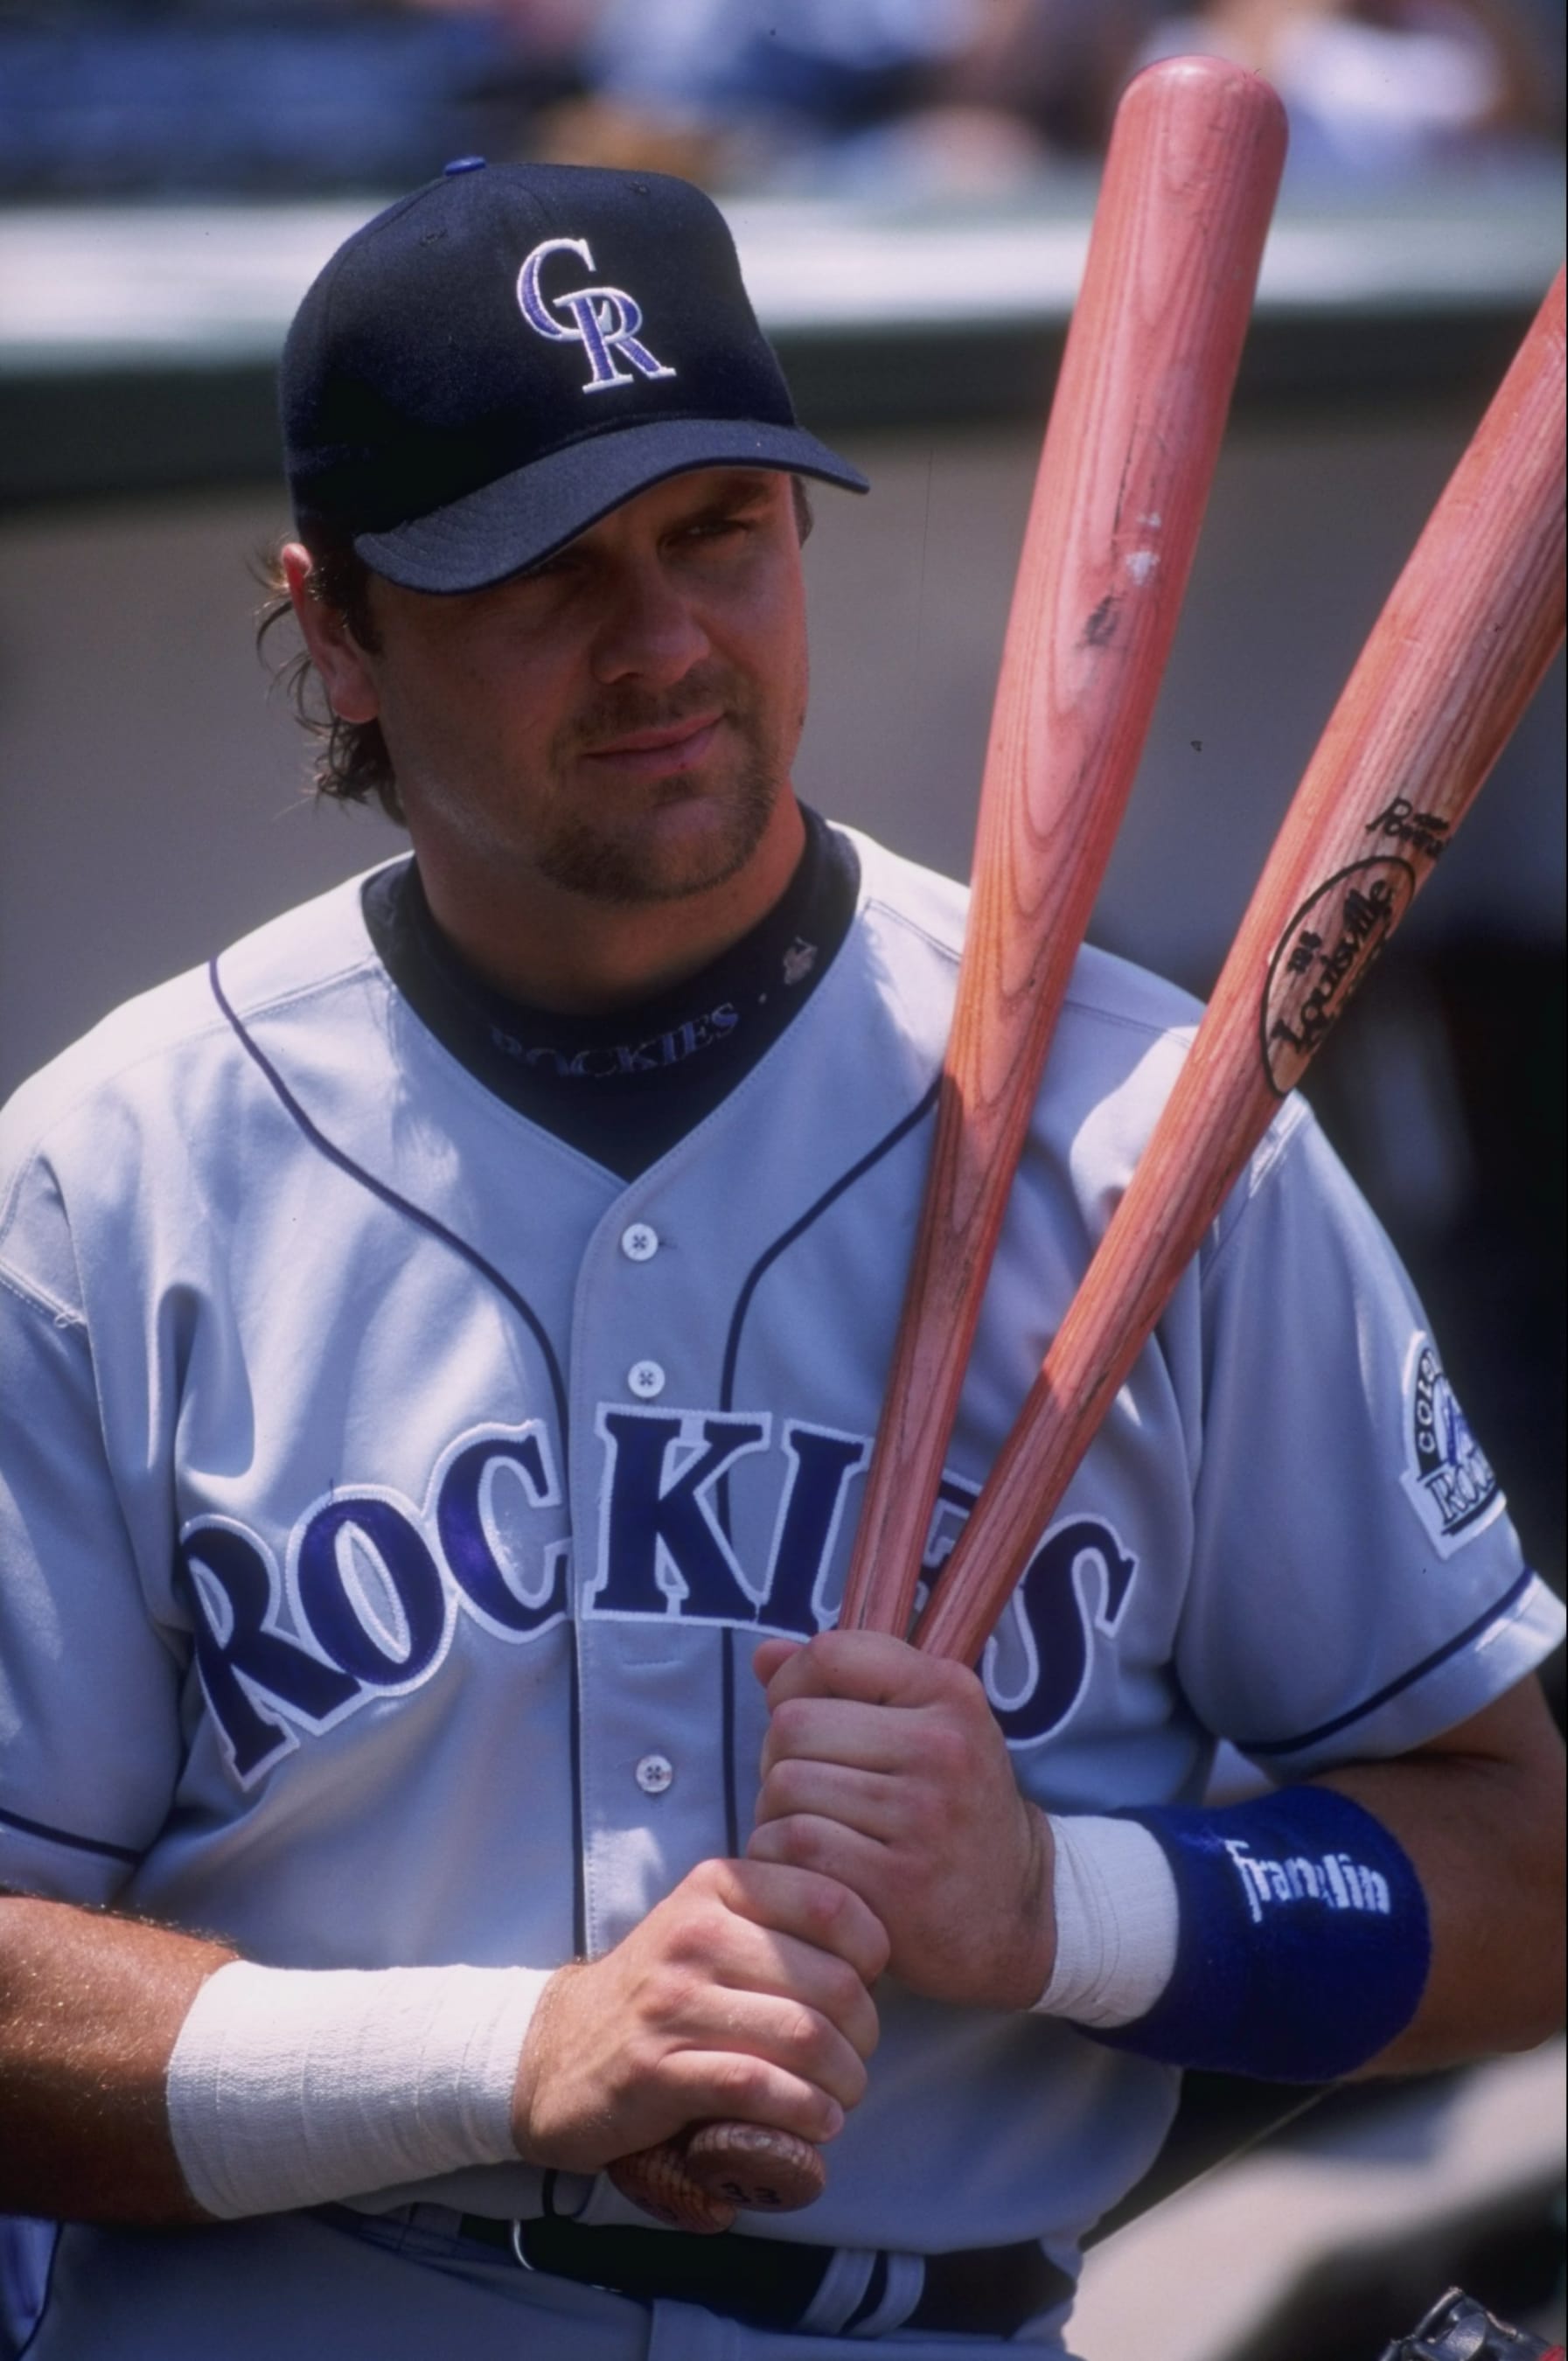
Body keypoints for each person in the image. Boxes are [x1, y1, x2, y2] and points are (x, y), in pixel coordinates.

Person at [0, 157, 1561, 2361]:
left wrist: (1061, 1910)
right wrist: (498, 2057)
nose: (661, 645)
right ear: (332, 622)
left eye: (717, 532)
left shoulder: (1157, 1134)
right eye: (543, 571)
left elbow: (1526, 1878)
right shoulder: (113, 1176)